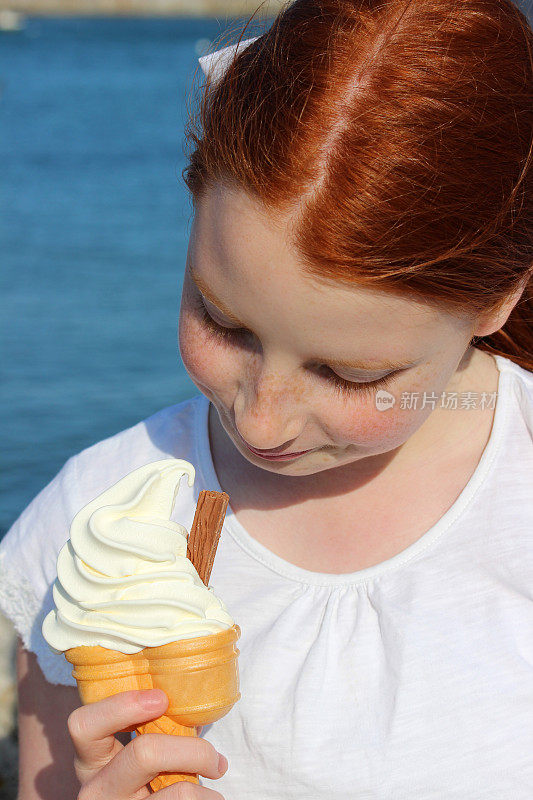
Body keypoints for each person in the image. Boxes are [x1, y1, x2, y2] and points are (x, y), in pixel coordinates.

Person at [2, 0, 533, 797]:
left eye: (351, 375)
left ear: (497, 300)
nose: (260, 420)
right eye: (223, 321)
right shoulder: (90, 520)